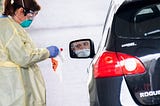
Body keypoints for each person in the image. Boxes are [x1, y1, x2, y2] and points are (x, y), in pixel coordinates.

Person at [0, 0, 59, 105]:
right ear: (20, 11)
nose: (32, 19)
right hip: (16, 91)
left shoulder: (9, 25)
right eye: (31, 14)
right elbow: (23, 57)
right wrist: (47, 52)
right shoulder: (10, 28)